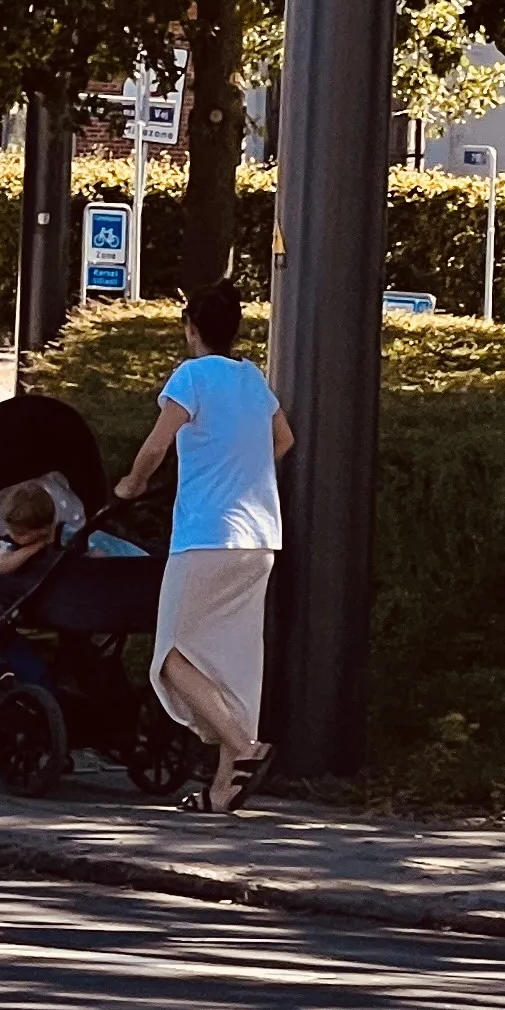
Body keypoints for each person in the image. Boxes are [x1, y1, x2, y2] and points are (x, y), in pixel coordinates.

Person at [114, 280, 290, 812]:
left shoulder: (191, 376)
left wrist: (131, 484)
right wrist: (242, 472)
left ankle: (244, 747)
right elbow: (284, 440)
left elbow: (157, 443)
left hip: (207, 538)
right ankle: (221, 792)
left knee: (169, 657)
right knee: (231, 664)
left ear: (191, 329)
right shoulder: (252, 378)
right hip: (260, 538)